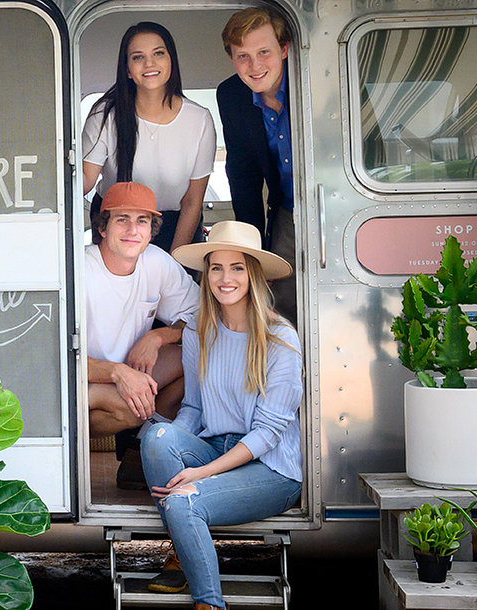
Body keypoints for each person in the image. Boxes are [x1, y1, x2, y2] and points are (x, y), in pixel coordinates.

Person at [139, 220, 303, 610]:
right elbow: (193, 407)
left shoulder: (281, 339)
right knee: (155, 437)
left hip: (270, 468)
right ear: (206, 274)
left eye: (237, 268)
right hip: (215, 448)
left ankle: (209, 603)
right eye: (216, 268)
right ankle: (185, 545)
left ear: (254, 274)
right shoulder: (200, 330)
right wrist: (174, 449)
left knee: (183, 502)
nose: (224, 278)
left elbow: (266, 435)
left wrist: (199, 475)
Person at [80, 182, 198, 490]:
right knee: (134, 404)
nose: (133, 229)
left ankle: (138, 456)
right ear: (102, 227)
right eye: (122, 219)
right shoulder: (81, 269)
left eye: (142, 221)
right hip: (78, 379)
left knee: (200, 357)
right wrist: (117, 373)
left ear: (151, 229)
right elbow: (54, 354)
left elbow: (204, 318)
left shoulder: (156, 262)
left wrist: (159, 337)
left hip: (129, 376)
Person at [81, 21, 218, 253]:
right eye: (137, 57)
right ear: (127, 70)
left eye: (158, 54)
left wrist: (176, 262)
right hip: (116, 225)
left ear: (171, 61)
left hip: (176, 227)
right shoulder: (104, 114)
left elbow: (192, 201)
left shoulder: (200, 119)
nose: (149, 64)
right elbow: (85, 180)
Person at [217, 7, 297, 322]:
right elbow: (243, 173)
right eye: (243, 56)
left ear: (285, 49)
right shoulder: (232, 95)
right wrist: (253, 247)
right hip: (287, 212)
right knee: (280, 303)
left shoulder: (317, 80)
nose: (255, 65)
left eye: (264, 52)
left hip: (338, 207)